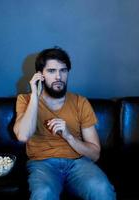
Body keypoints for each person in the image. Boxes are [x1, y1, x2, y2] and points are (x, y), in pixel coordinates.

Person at [13, 46, 116, 200]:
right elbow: (23, 136)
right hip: (42, 164)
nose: (58, 77)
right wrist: (35, 95)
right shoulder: (25, 100)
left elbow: (95, 154)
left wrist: (69, 136)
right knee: (43, 193)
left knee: (102, 189)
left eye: (63, 70)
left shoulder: (80, 102)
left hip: (78, 163)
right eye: (51, 71)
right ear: (40, 75)